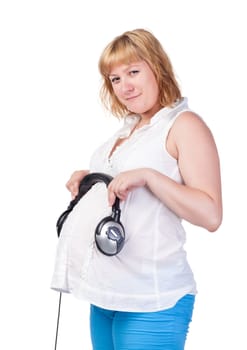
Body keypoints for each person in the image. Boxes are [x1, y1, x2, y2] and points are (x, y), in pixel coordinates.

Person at [55, 28, 223, 350]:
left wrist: (150, 177)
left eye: (133, 71)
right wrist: (92, 179)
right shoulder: (127, 132)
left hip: (152, 299)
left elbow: (211, 214)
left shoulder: (184, 125)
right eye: (115, 79)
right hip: (105, 293)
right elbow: (130, 196)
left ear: (157, 67)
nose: (124, 86)